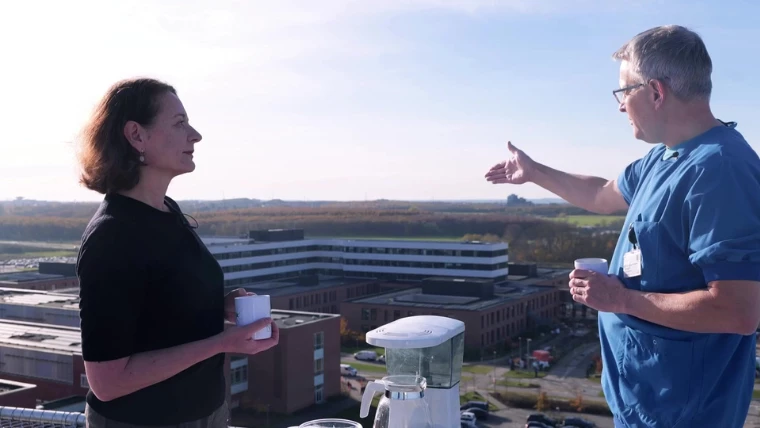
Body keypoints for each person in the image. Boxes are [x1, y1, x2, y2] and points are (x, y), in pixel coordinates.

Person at [485, 25, 760, 427]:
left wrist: (620, 300)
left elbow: (738, 311)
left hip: (685, 413)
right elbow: (600, 194)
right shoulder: (665, 158)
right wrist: (533, 172)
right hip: (647, 405)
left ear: (656, 92)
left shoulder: (720, 171)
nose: (620, 107)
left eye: (624, 92)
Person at [76, 78, 280, 427]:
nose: (195, 135)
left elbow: (159, 308)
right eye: (179, 123)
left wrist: (218, 306)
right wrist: (221, 342)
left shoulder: (167, 212)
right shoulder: (112, 236)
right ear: (136, 135)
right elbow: (107, 383)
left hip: (208, 414)